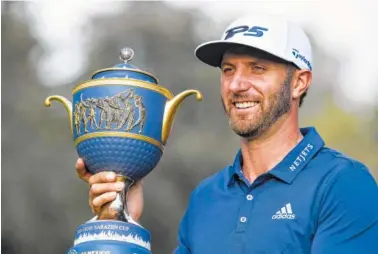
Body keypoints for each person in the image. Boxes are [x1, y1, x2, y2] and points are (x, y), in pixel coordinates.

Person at [76, 14, 378, 253]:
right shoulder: (206, 197)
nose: (236, 85)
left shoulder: (343, 184)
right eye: (228, 70)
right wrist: (124, 227)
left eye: (257, 68)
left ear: (300, 82)